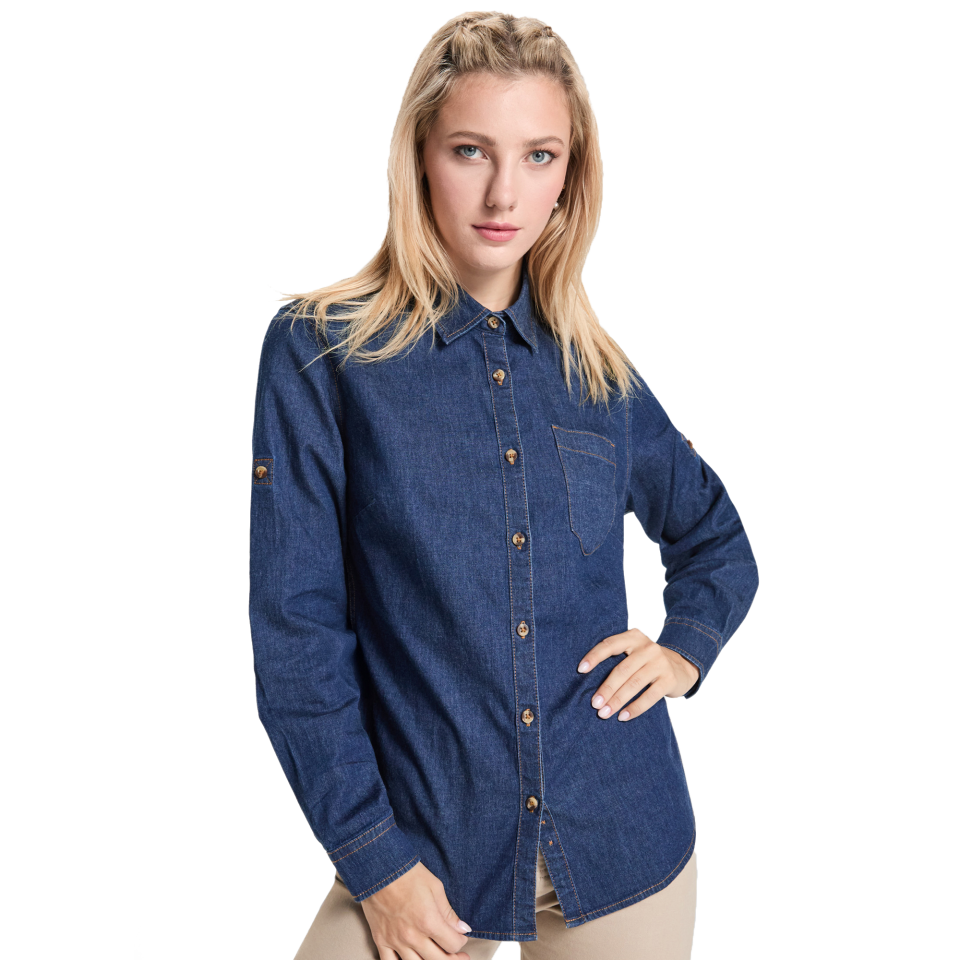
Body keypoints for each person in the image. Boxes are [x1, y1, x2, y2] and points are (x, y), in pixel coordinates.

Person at [251, 11, 759, 960]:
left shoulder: (595, 371)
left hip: (623, 839)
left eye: (538, 156)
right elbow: (297, 639)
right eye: (470, 150)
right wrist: (375, 863)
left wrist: (683, 649)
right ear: (419, 156)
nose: (502, 192)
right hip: (426, 854)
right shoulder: (322, 352)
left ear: (570, 176)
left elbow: (715, 537)